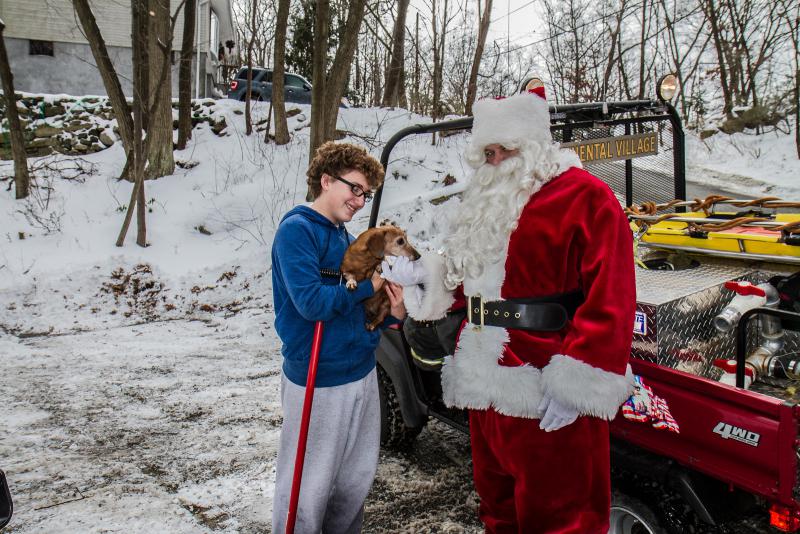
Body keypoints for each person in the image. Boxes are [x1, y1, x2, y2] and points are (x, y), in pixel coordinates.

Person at [382, 88, 636, 533]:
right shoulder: (488, 203)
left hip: (545, 385)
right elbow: (470, 278)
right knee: (498, 512)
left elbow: (611, 295)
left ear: (532, 144)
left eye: (502, 151)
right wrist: (427, 275)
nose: (493, 163)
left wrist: (579, 380)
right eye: (486, 154)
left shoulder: (585, 197)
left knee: (560, 520)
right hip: (484, 385)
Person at [271, 141, 405, 534]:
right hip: (319, 379)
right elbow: (311, 303)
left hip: (360, 373)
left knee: (352, 483)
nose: (361, 201)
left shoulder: (345, 238)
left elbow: (355, 312)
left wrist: (390, 315)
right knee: (307, 489)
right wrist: (367, 284)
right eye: (355, 189)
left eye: (366, 194)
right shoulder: (296, 232)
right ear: (326, 181)